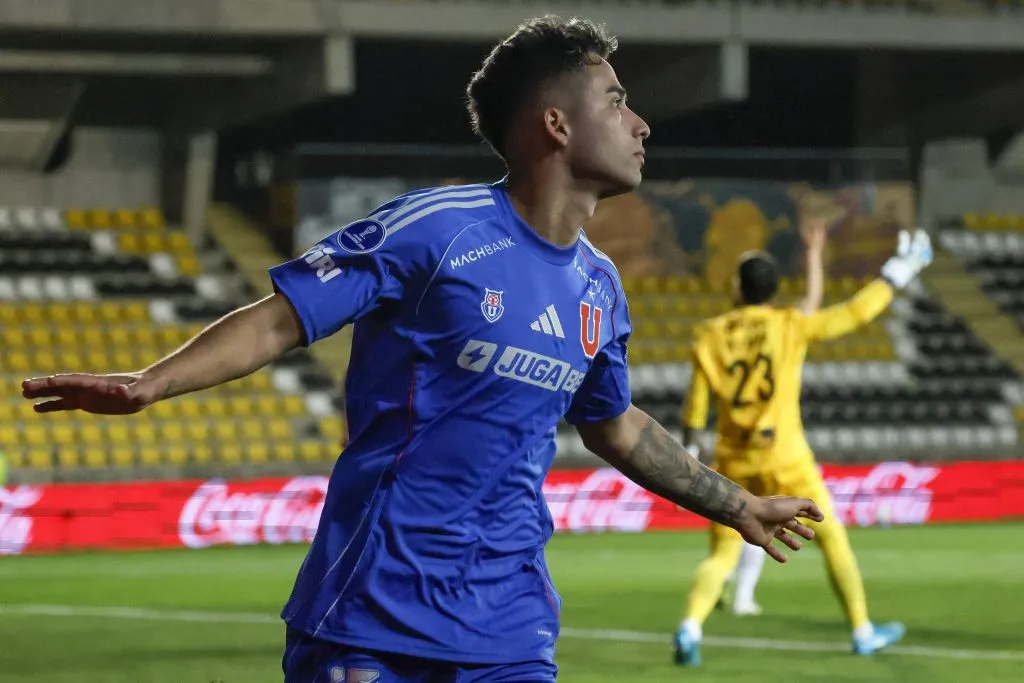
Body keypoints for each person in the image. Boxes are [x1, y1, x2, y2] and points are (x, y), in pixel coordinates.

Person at [23, 16, 823, 682]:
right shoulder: (438, 231)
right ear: (556, 124)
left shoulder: (600, 286)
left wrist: (738, 505)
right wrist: (151, 382)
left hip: (510, 624)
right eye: (616, 101)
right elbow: (279, 320)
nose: (641, 123)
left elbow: (614, 423)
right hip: (374, 613)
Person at [674, 226, 934, 666]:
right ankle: (862, 630)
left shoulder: (710, 334)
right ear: (773, 289)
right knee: (832, 538)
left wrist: (690, 460)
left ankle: (690, 627)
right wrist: (899, 271)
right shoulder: (789, 325)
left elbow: (695, 411)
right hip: (785, 457)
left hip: (734, 460)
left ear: (737, 287)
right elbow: (856, 312)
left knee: (722, 553)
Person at [716, 213, 830, 618]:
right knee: (766, 521)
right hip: (776, 447)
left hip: (734, 448)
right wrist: (814, 254)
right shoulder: (783, 327)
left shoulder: (719, 332)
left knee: (740, 524)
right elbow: (811, 304)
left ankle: (729, 591)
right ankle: (861, 628)